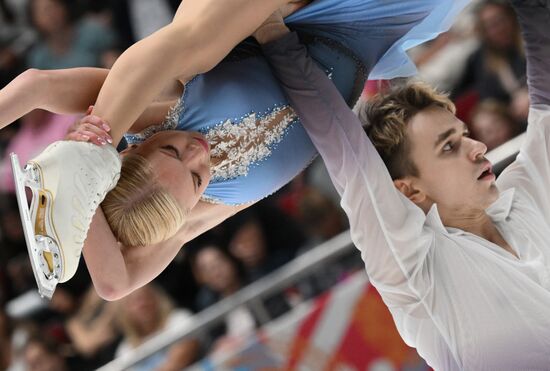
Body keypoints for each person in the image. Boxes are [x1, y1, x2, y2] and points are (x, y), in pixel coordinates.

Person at [0, 0, 468, 299]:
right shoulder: (201, 214)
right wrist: (81, 217)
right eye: (197, 176)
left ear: (133, 152)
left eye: (172, 152)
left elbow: (35, 86)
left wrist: (93, 159)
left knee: (189, 50)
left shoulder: (155, 120)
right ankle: (78, 169)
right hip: (372, 25)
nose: (198, 152)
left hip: (285, 13)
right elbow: (114, 281)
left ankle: (86, 154)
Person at [259, 0, 550, 369]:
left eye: (464, 135)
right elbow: (351, 160)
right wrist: (273, 37)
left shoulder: (522, 197)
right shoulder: (417, 271)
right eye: (449, 147)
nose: (478, 148)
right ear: (410, 190)